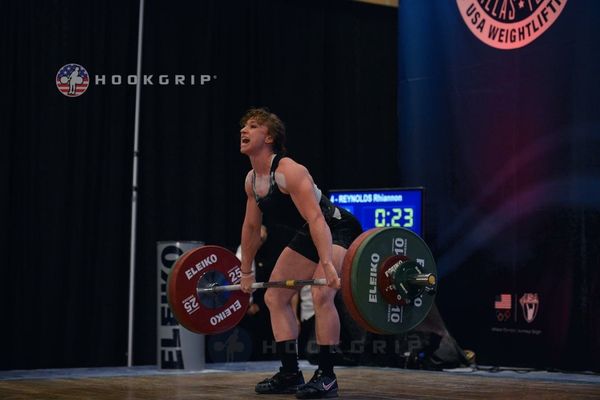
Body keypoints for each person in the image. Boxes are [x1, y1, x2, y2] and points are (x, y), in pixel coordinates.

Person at [238, 107, 362, 398]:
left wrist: (328, 264)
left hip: (335, 226)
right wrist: (245, 271)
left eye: (252, 126)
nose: (244, 130)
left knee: (321, 293)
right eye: (243, 126)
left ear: (268, 137)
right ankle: (291, 372)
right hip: (310, 232)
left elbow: (318, 218)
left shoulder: (289, 171)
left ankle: (328, 376)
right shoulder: (252, 181)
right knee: (274, 296)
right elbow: (251, 228)